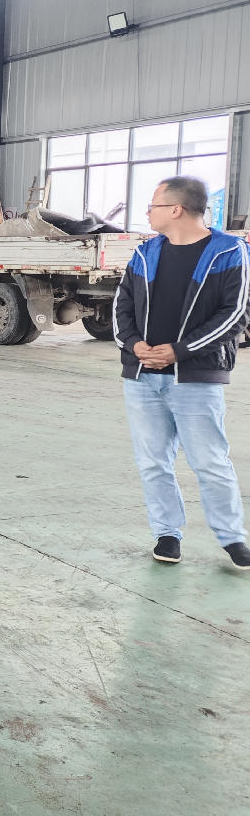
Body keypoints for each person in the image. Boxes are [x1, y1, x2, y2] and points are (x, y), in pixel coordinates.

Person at [114, 176, 250, 571]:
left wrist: (180, 351)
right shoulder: (144, 253)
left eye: (153, 205)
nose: (147, 213)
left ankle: (232, 538)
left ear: (176, 209)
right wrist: (134, 345)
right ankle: (167, 533)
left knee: (210, 462)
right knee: (153, 461)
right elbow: (121, 307)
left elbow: (235, 315)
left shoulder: (230, 252)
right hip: (142, 377)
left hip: (195, 377)